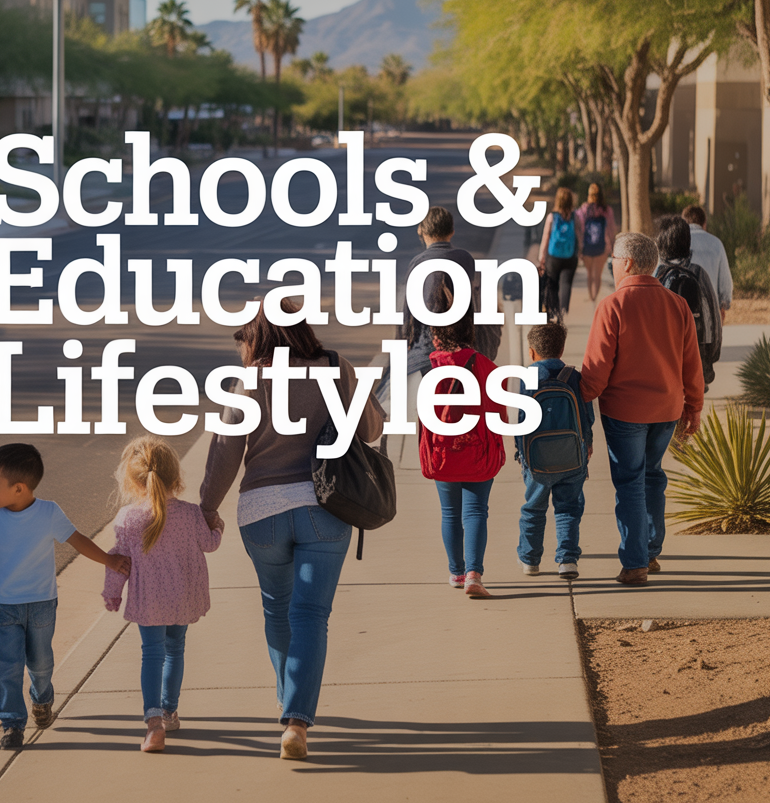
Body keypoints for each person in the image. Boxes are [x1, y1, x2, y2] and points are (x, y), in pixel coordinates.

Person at [200, 301, 384, 760]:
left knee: (277, 610)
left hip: (260, 513)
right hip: (324, 505)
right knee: (310, 616)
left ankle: (287, 699)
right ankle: (296, 723)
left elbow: (224, 451)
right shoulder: (333, 367)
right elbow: (373, 429)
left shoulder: (249, 380)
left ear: (258, 336)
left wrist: (206, 509)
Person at [0, 444, 129, 750]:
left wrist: (109, 560)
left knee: (40, 663)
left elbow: (78, 540)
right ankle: (12, 723)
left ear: (19, 489)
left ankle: (42, 697)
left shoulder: (49, 512)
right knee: (8, 666)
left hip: (41, 605)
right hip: (5, 606)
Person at [581, 232, 705, 586]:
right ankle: (650, 551)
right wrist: (693, 408)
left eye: (613, 261)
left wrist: (579, 395)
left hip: (625, 412)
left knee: (631, 482)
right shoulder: (677, 305)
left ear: (627, 263)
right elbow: (691, 365)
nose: (612, 266)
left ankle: (635, 562)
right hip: (667, 410)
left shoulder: (613, 306)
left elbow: (596, 371)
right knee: (653, 476)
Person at [103, 436, 223, 753]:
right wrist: (218, 527)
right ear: (175, 477)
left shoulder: (128, 519)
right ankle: (170, 711)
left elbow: (119, 562)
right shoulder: (190, 513)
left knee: (151, 654)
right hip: (182, 598)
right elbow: (210, 544)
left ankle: (154, 725)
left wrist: (112, 594)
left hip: (149, 601)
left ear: (133, 479)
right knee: (175, 650)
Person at [418, 286, 507, 599]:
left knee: (449, 513)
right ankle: (473, 574)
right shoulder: (488, 367)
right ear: (472, 330)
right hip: (478, 452)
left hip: (443, 453)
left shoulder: (431, 368)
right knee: (475, 512)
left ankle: (455, 571)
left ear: (437, 335)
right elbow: (500, 416)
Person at [515, 323, 594, 579]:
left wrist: (522, 454)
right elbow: (587, 417)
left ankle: (530, 561)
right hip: (572, 455)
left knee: (533, 508)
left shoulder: (527, 378)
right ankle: (567, 561)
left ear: (531, 352)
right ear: (561, 349)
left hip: (537, 459)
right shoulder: (574, 376)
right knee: (569, 507)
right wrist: (587, 445)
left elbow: (521, 421)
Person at [393, 205, 478, 419]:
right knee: (460, 407)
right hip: (462, 347)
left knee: (431, 409)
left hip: (428, 351)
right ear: (451, 232)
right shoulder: (465, 259)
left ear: (422, 231)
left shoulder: (418, 263)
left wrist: (401, 348)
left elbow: (408, 314)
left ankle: (431, 450)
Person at [655, 215, 723, 387]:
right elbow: (713, 324)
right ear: (687, 243)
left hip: (662, 371)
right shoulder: (699, 274)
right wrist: (708, 362)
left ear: (660, 243)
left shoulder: (656, 277)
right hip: (696, 367)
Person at [681, 204, 733, 322]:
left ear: (683, 223)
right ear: (704, 224)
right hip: (709, 312)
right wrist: (723, 304)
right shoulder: (716, 244)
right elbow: (725, 282)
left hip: (681, 313)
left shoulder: (676, 242)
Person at [538, 187, 584, 319]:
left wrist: (542, 256)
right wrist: (580, 251)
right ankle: (563, 311)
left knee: (552, 284)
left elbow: (546, 238)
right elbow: (579, 236)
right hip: (570, 256)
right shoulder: (574, 217)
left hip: (554, 256)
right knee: (566, 284)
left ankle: (554, 310)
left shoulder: (552, 217)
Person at [575, 182, 616, 301]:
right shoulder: (606, 210)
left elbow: (579, 228)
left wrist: (579, 246)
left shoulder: (583, 209)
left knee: (590, 275)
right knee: (597, 275)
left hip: (587, 247)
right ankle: (594, 297)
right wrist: (613, 247)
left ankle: (591, 296)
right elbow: (611, 230)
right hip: (602, 247)